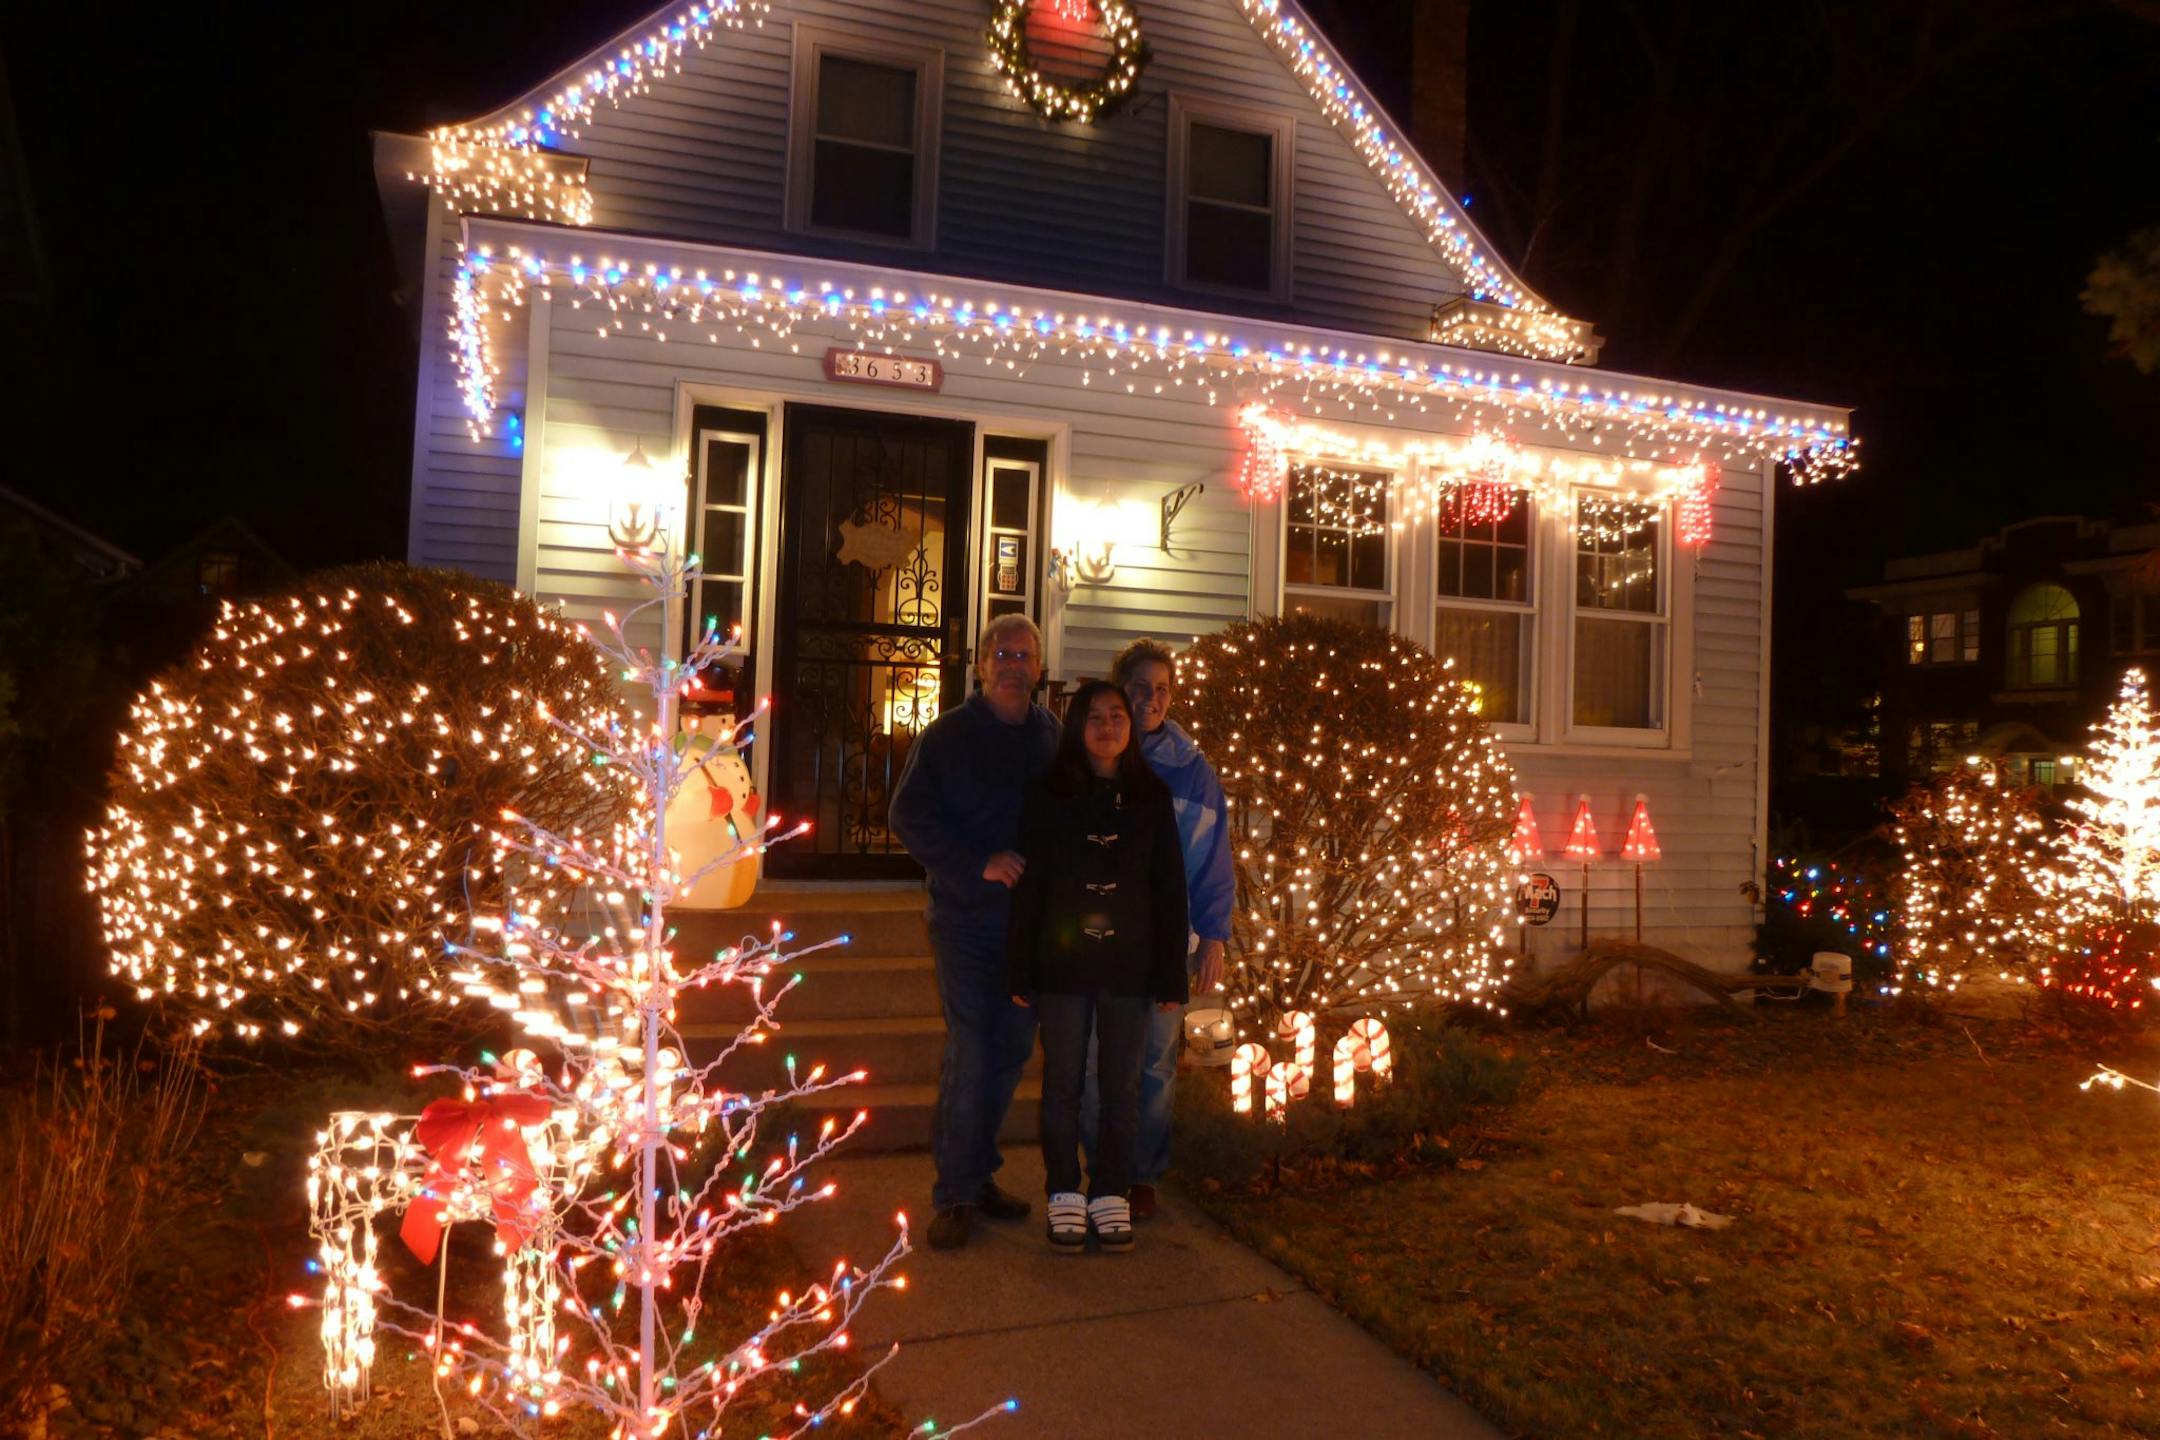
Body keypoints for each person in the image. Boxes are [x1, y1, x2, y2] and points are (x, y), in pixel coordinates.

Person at [888, 614, 1060, 1251]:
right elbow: (905, 816)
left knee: (1012, 1051)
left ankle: (980, 1174)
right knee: (974, 1048)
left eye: (1025, 654)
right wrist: (975, 862)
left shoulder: (1052, 738)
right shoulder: (948, 737)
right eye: (1002, 653)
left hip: (1029, 930)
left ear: (1039, 668)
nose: (1014, 664)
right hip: (965, 921)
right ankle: (956, 1191)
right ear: (982, 665)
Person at [1006, 681, 1188, 1253]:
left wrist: (1170, 974)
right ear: (1077, 726)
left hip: (1130, 965)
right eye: (1095, 717)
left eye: (1117, 716)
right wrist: (1020, 968)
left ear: (1130, 728)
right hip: (1062, 964)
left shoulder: (1151, 797)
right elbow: (1029, 889)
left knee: (1122, 1084)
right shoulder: (1046, 794)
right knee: (1061, 1083)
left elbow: (1169, 889)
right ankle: (1064, 1189)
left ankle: (1111, 1187)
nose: (1107, 726)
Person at [1079, 637, 1234, 1221]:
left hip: (1166, 945)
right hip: (1097, 942)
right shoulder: (1093, 759)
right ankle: (1102, 1172)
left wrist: (1213, 933)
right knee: (1096, 1059)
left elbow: (1214, 858)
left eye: (1162, 689)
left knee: (1153, 1063)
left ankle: (1141, 1175)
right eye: (1140, 687)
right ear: (1121, 689)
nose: (1151, 699)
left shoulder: (1194, 774)